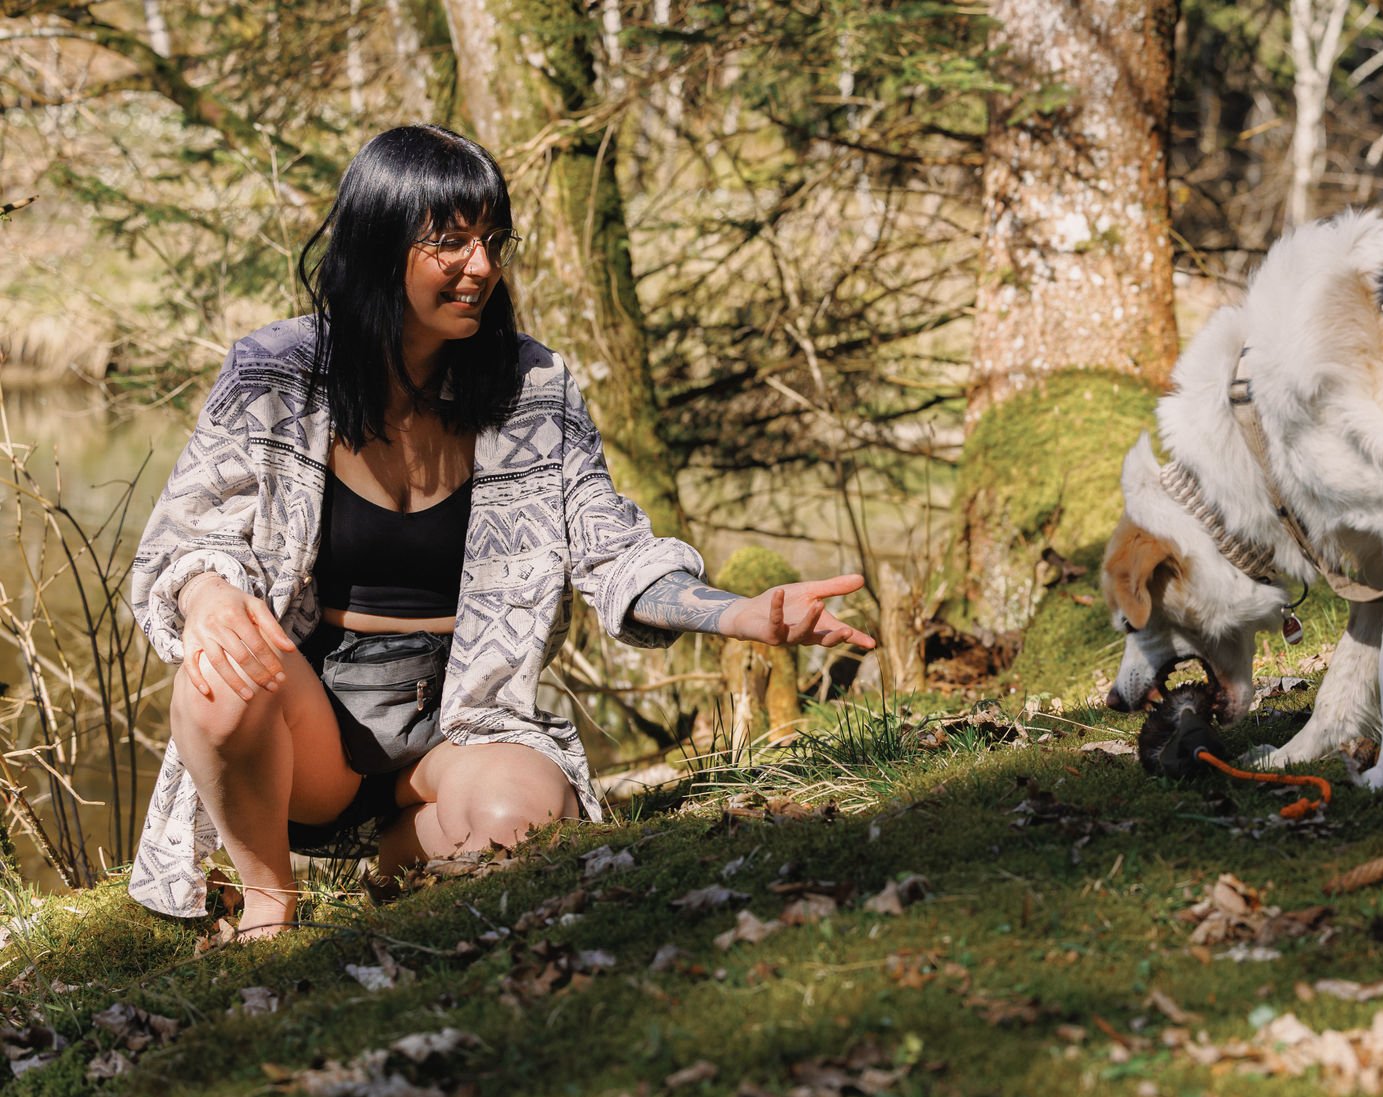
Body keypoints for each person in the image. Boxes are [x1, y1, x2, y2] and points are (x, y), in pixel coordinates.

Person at [127, 125, 874, 938]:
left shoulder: (535, 387)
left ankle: (404, 855)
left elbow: (613, 550)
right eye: (449, 242)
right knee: (217, 672)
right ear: (380, 242)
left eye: (492, 241)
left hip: (465, 722)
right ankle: (271, 905)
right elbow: (189, 538)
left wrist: (738, 614)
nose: (480, 267)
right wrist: (205, 597)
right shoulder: (275, 372)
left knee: (526, 827)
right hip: (308, 743)